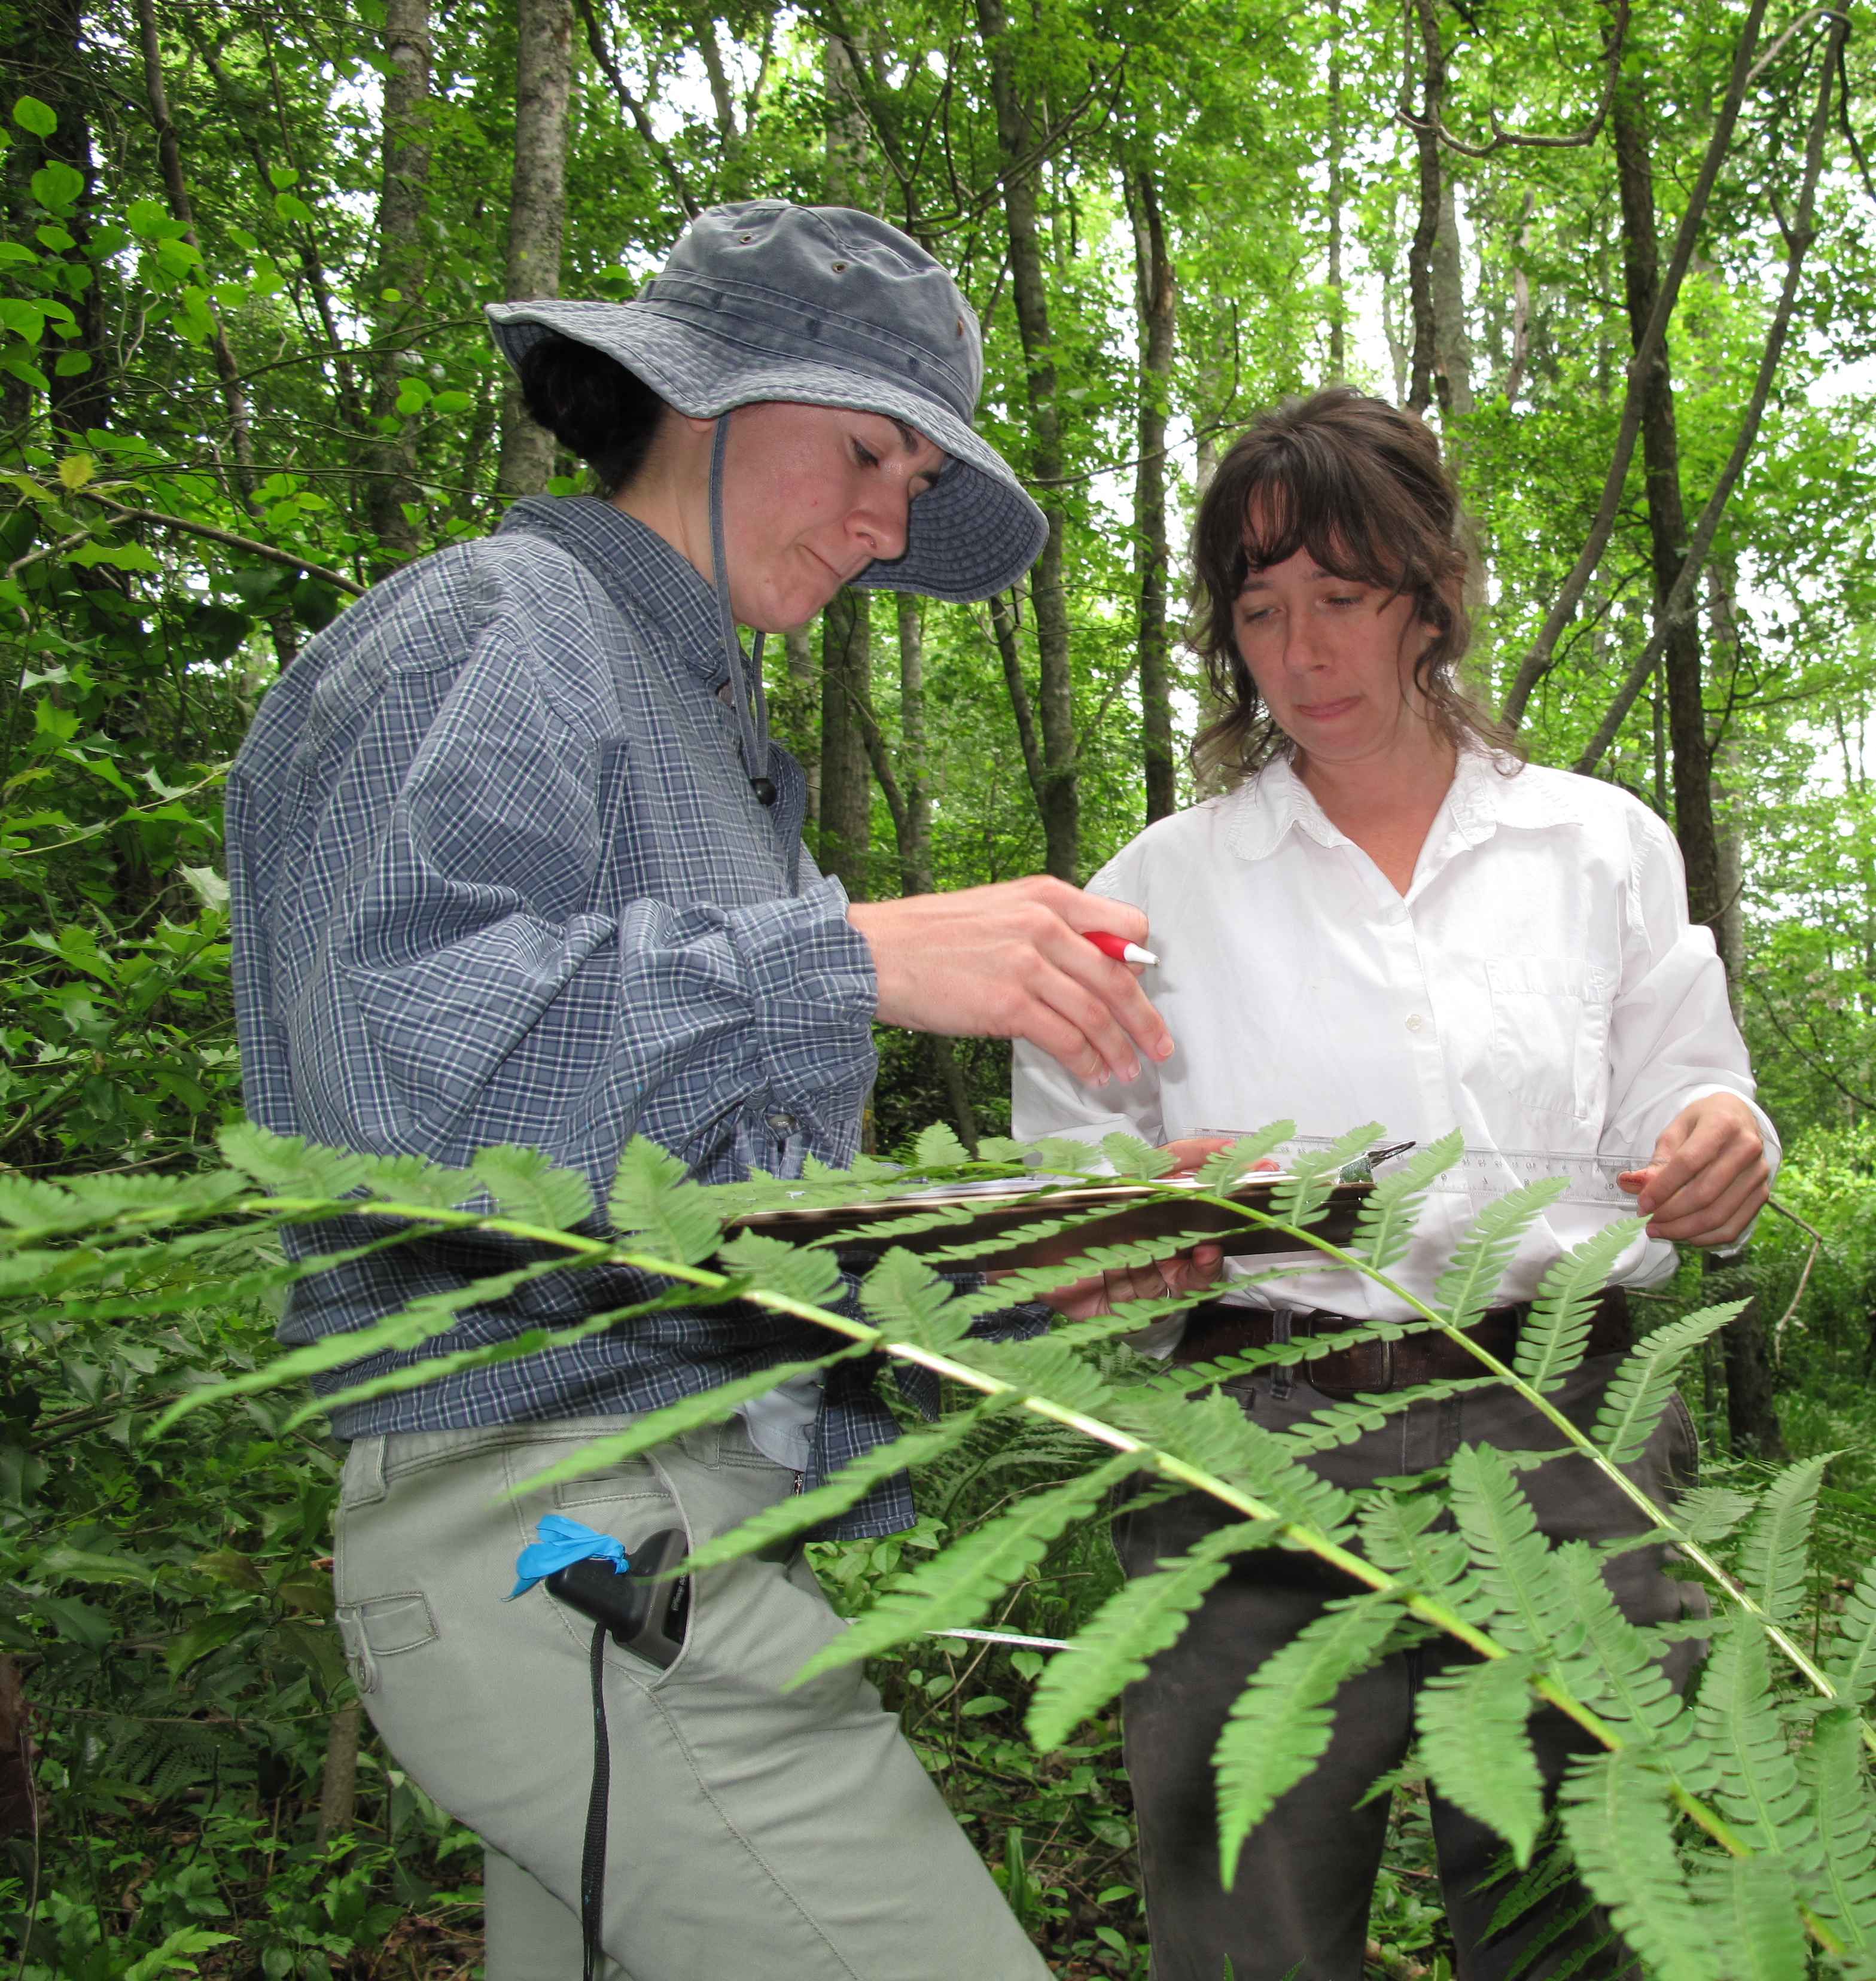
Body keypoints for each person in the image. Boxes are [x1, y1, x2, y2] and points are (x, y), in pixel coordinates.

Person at [228, 200, 1214, 1981]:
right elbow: (390, 1080)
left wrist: (1032, 1251)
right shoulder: (501, 625)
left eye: (917, 484)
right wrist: (845, 958)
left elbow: (701, 1218)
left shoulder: (714, 741)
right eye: (863, 449)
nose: (884, 518)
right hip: (552, 1524)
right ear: (704, 396)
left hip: (648, 1540)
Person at [1010, 388, 1780, 1981]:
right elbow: (1063, 1192)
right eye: (1263, 610)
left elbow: (1687, 1086)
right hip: (1255, 1435)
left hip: (1576, 1418)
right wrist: (1146, 1218)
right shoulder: (1156, 889)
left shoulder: (1599, 846)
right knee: (1250, 1922)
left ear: (1430, 600)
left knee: (1601, 1909)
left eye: (1345, 602)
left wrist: (1724, 1141)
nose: (1303, 653)